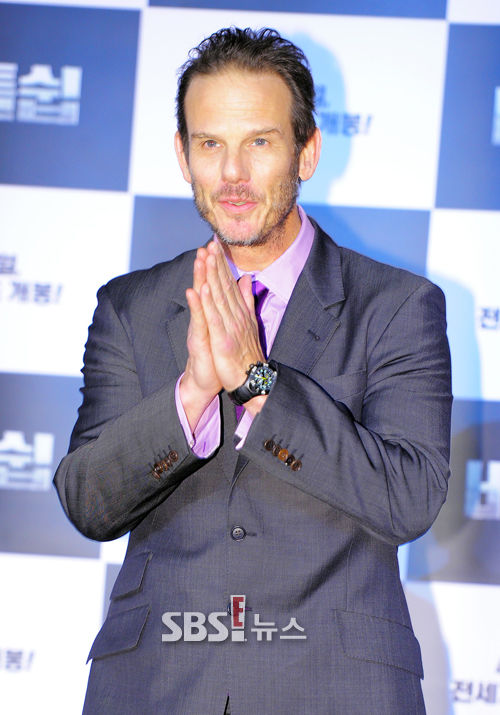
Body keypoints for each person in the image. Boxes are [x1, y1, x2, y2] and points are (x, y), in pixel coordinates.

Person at [54, 27, 452, 715]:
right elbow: (89, 500)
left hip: (335, 688)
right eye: (210, 143)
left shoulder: (395, 305)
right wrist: (192, 394)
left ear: (307, 151)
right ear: (182, 154)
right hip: (159, 686)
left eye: (260, 142)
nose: (233, 173)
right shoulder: (129, 307)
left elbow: (408, 497)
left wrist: (257, 381)